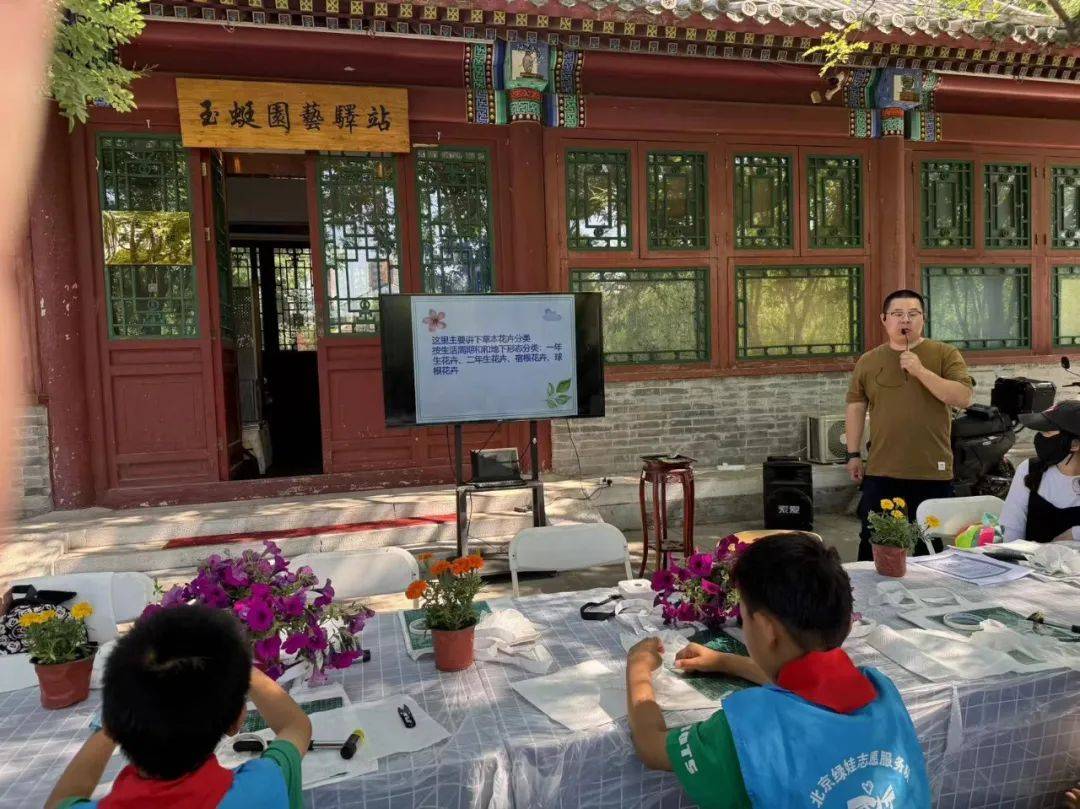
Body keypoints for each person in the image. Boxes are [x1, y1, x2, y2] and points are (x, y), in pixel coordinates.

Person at [625, 534, 930, 808]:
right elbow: (811, 689)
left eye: (744, 616)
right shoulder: (882, 693)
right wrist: (725, 661)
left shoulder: (745, 731)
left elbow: (651, 745)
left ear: (767, 629)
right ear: (848, 621)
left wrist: (637, 668)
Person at [45, 605, 312, 809]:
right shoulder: (262, 787)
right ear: (236, 719)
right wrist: (236, 666)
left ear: (113, 719)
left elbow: (63, 800)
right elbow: (295, 725)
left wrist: (112, 719)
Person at [846, 289, 974, 560]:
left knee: (927, 546)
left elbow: (963, 397)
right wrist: (854, 454)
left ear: (923, 319)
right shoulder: (869, 361)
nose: (905, 320)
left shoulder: (944, 354)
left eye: (913, 314)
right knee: (874, 542)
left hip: (931, 471)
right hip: (882, 469)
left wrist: (920, 371)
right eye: (898, 314)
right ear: (884, 319)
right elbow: (856, 406)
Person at [1000, 400, 1080, 543]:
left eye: (1047, 432)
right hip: (1027, 564)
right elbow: (1011, 531)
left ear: (1074, 444)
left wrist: (1074, 533)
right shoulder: (1030, 470)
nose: (1039, 437)